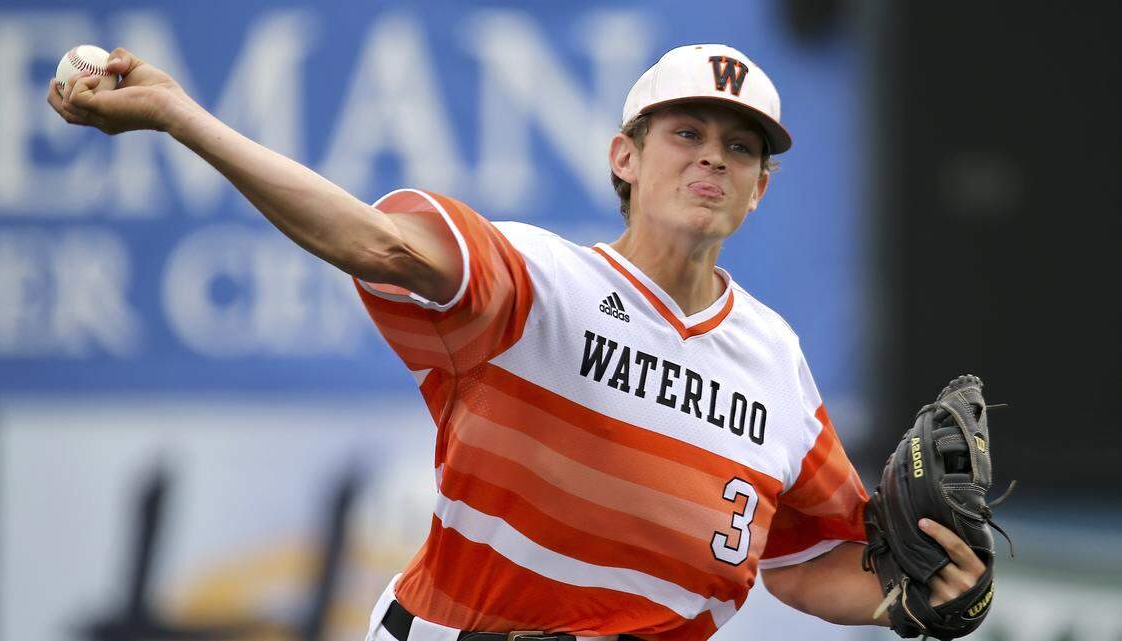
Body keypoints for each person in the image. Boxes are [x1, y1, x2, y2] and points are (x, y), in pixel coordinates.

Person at [49, 42, 988, 641]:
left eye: (742, 147)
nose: (714, 154)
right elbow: (372, 242)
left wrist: (923, 592)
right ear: (625, 156)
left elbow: (807, 562)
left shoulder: (774, 358)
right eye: (687, 131)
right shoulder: (538, 281)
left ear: (759, 191)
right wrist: (180, 118)